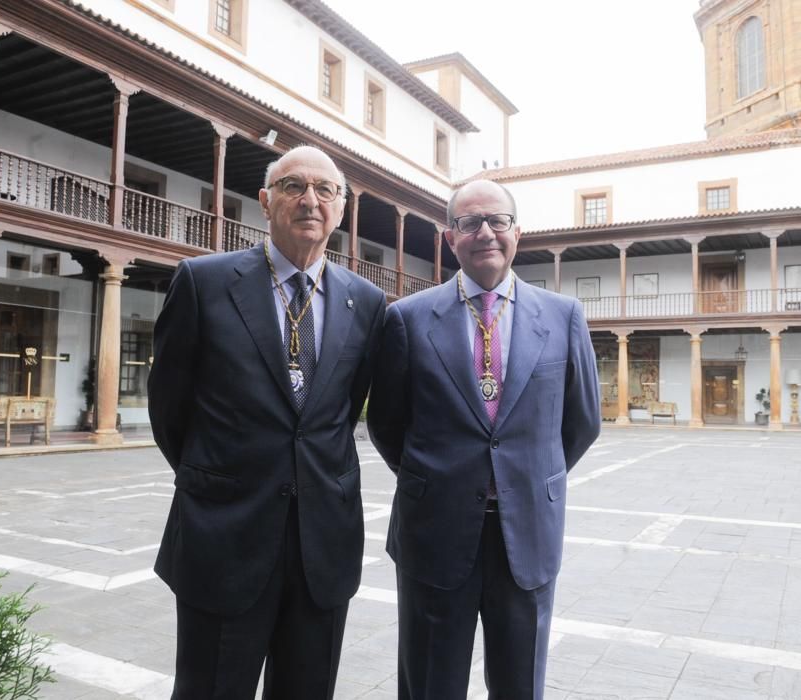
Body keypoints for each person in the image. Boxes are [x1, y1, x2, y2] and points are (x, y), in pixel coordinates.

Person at [149, 145, 385, 699]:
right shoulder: (203, 283)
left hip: (322, 547)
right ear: (264, 201)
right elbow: (170, 409)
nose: (310, 200)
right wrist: (219, 478)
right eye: (293, 186)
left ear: (341, 209)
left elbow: (346, 409)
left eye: (325, 190)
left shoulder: (367, 303)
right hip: (223, 537)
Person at [368, 179, 601, 699]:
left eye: (497, 220)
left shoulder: (563, 317)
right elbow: (386, 424)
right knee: (430, 682)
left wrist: (526, 479)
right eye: (470, 222)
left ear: (518, 232)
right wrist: (438, 480)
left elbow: (582, 421)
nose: (485, 232)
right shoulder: (407, 318)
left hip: (527, 535)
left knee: (520, 685)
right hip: (435, 531)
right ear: (451, 238)